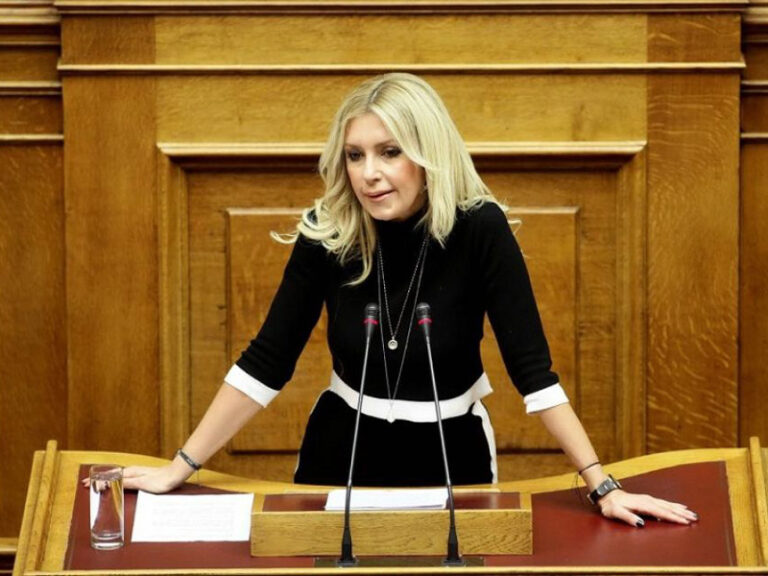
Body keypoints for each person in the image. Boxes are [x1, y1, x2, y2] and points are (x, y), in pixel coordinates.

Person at [108, 73, 697, 527]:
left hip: (452, 452)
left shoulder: (479, 229)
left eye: (389, 152)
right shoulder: (328, 231)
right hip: (339, 448)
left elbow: (533, 373)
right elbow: (267, 361)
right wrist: (179, 468)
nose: (369, 173)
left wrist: (601, 485)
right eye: (355, 154)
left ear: (426, 152)